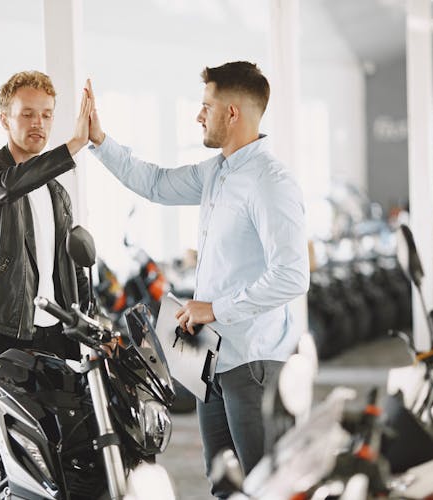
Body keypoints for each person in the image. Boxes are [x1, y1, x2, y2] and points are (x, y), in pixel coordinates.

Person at [86, 62, 309, 497]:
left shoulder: (270, 181)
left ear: (232, 113)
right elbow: (153, 183)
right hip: (212, 362)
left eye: (206, 106)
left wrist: (215, 308)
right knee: (223, 483)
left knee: (267, 487)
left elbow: (292, 274)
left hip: (254, 363)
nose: (198, 115)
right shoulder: (216, 174)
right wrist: (99, 140)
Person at [0, 71, 92, 395]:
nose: (39, 124)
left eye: (46, 115)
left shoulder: (57, 192)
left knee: (59, 437)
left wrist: (87, 320)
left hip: (55, 333)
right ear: (5, 120)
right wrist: (73, 145)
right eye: (28, 114)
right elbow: (10, 186)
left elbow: (69, 262)